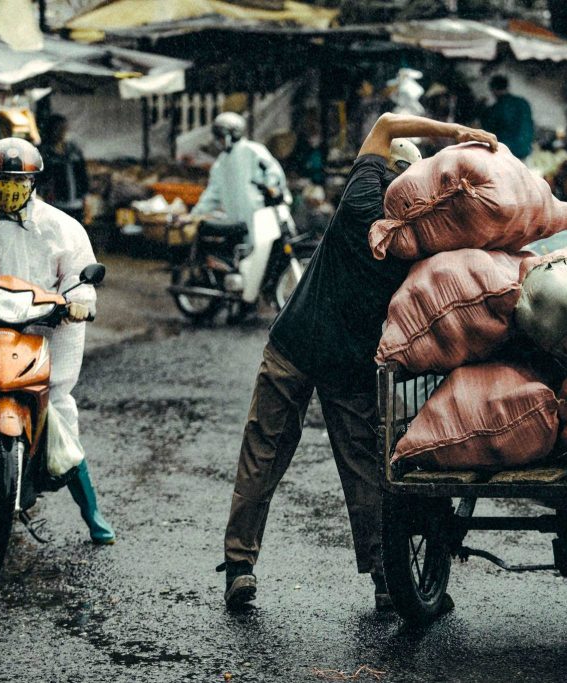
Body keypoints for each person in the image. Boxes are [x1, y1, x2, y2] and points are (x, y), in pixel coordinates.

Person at [218, 113, 498, 611]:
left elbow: (387, 122)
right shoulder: (423, 253)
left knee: (262, 453)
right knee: (365, 471)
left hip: (295, 344)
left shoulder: (359, 202)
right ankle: (385, 581)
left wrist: (455, 133)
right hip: (349, 366)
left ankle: (240, 566)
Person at [0, 137, 115, 545]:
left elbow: (77, 272)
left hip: (39, 332)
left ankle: (92, 511)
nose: (9, 190)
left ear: (33, 183)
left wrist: (80, 298)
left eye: (18, 183)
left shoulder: (61, 227)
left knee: (61, 410)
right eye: (1, 182)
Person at [189, 112, 289, 239]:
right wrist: (194, 215)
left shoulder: (253, 151)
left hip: (261, 216)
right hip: (237, 221)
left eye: (220, 136)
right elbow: (212, 194)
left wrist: (270, 191)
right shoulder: (221, 163)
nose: (218, 141)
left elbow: (273, 175)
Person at [38, 114, 89, 221]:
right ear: (50, 130)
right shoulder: (45, 153)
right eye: (58, 128)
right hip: (55, 204)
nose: (62, 132)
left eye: (64, 128)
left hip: (76, 203)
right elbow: (40, 179)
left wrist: (85, 197)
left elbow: (82, 175)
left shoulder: (74, 150)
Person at [480, 75, 534, 159]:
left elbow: (486, 130)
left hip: (506, 153)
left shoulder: (495, 109)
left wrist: (482, 109)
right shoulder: (523, 102)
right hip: (525, 151)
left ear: (494, 89)